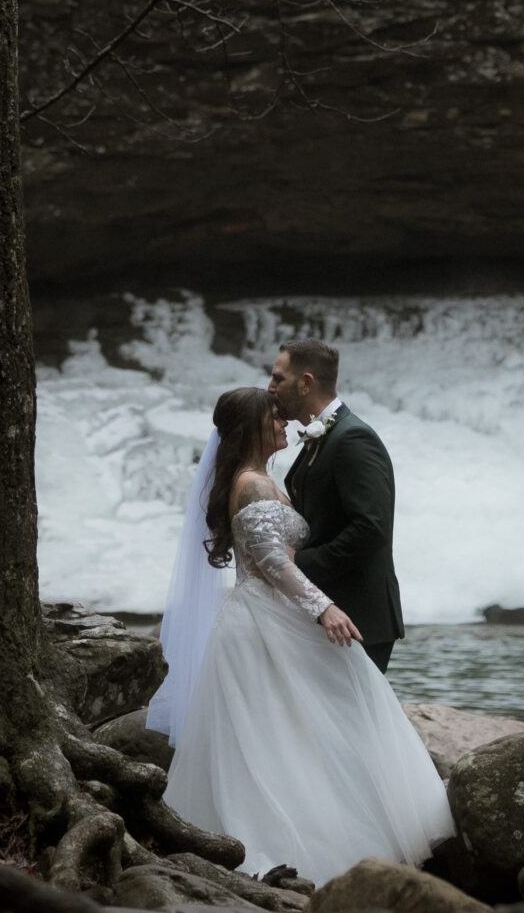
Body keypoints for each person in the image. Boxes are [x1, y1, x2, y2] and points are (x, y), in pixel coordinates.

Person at [156, 386, 453, 883]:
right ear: (252, 428)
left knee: (298, 729)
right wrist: (325, 608)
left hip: (270, 616)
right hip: (263, 624)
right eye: (273, 417)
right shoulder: (251, 484)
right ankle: (281, 847)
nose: (285, 424)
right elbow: (273, 561)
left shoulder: (262, 479)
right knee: (270, 737)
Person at [271, 339, 404, 673]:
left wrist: (300, 562)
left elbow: (369, 528)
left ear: (306, 383)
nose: (270, 388)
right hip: (330, 612)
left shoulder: (353, 439)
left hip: (358, 617)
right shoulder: (326, 436)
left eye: (278, 378)